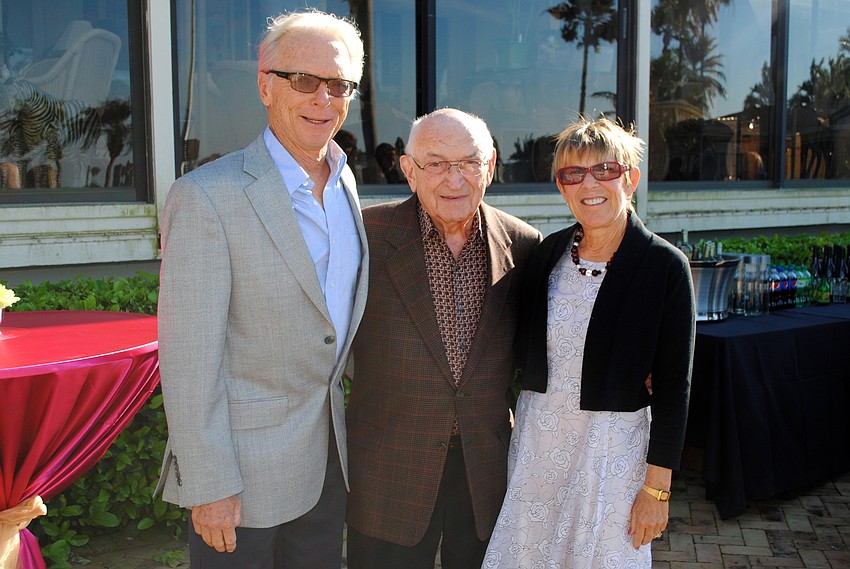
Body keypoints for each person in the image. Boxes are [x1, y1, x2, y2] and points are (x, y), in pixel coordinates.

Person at [155, 10, 367, 568]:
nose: (324, 98)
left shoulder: (346, 180)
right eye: (305, 80)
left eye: (340, 84)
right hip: (241, 477)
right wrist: (208, 485)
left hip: (328, 463)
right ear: (265, 85)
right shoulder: (207, 197)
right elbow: (188, 359)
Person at [483, 117, 696, 568]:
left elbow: (675, 389)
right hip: (541, 444)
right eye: (573, 174)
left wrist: (657, 490)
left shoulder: (664, 267)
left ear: (630, 178)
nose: (589, 184)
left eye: (605, 170)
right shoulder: (546, 256)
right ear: (561, 186)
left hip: (611, 452)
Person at [345, 108, 542, 569]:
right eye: (436, 163)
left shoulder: (525, 245)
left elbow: (550, 344)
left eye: (468, 162)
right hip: (390, 466)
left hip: (483, 470)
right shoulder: (364, 238)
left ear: (490, 167)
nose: (454, 178)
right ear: (409, 171)